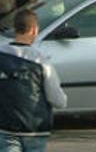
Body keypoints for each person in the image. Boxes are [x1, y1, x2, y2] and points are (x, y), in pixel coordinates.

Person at [0, 9, 67, 152]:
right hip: (35, 128)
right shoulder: (41, 61)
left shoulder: (1, 54)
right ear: (34, 30)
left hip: (5, 126)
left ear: (15, 28)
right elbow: (58, 100)